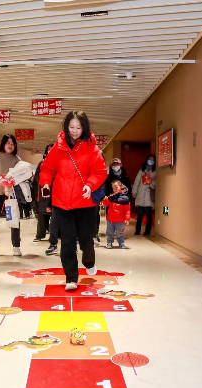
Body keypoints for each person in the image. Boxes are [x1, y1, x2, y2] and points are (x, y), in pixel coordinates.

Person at [39, 111, 107, 291]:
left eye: (78, 127)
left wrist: (90, 185)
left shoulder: (92, 149)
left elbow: (100, 172)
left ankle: (89, 260)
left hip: (84, 202)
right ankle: (71, 277)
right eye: (71, 127)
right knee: (67, 240)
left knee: (86, 238)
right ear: (66, 127)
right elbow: (46, 168)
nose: (75, 131)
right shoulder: (58, 147)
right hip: (62, 202)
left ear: (84, 127)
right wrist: (45, 183)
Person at [0, 134, 22, 257]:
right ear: (3, 143)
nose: (10, 145)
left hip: (11, 193)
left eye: (12, 143)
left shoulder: (17, 159)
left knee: (14, 219)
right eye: (8, 142)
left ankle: (16, 246)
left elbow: (21, 175)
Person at [33, 144, 54, 242]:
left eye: (52, 149)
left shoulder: (57, 163)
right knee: (42, 214)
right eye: (48, 150)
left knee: (54, 214)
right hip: (43, 191)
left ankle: (55, 234)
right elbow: (37, 176)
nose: (50, 151)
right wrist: (44, 183)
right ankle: (40, 234)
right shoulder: (41, 163)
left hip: (55, 191)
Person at [102, 180, 131, 248]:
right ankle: (109, 242)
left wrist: (127, 219)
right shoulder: (111, 197)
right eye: (113, 188)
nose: (115, 189)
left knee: (120, 232)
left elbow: (127, 210)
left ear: (121, 187)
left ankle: (121, 243)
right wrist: (104, 200)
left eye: (116, 187)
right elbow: (106, 204)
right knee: (109, 232)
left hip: (120, 220)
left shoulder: (125, 198)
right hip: (110, 219)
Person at [133, 154, 156, 236]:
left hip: (149, 195)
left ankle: (147, 231)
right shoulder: (142, 170)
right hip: (141, 194)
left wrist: (151, 182)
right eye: (150, 159)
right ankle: (137, 230)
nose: (151, 161)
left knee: (149, 215)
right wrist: (134, 192)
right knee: (140, 215)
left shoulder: (156, 171)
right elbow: (137, 181)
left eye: (153, 160)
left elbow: (158, 182)